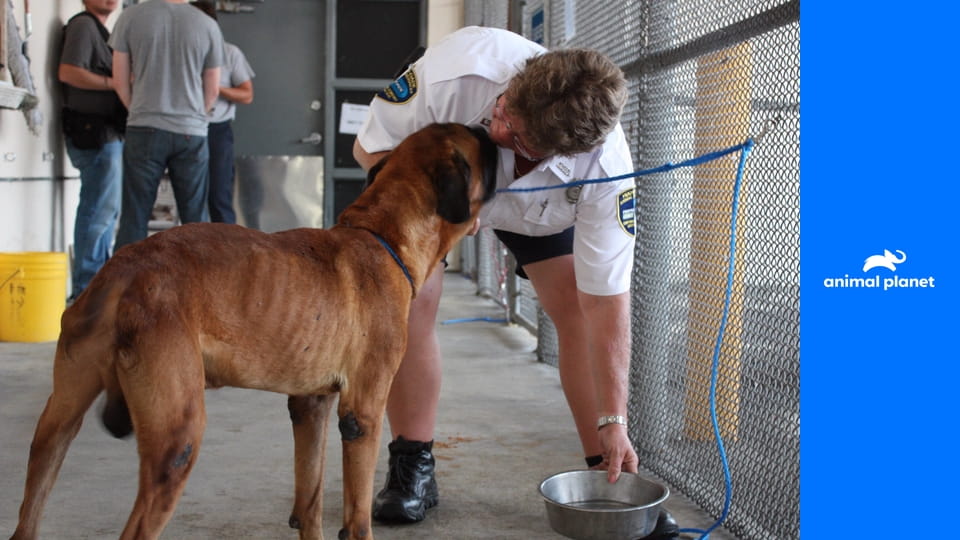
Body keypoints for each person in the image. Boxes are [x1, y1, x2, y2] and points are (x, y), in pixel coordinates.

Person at [353, 26, 640, 524]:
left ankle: (606, 472)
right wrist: (446, 203)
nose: (498, 126)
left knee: (575, 311)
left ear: (562, 152)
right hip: (439, 189)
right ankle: (411, 465)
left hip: (540, 210)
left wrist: (615, 419)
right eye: (505, 108)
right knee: (414, 305)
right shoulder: (460, 73)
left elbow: (605, 302)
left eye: (516, 133)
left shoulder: (605, 169)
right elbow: (368, 148)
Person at [109, 0, 223, 250]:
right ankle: (201, 275)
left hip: (144, 126)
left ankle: (127, 276)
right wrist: (196, 116)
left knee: (135, 216)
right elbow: (213, 89)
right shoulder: (207, 24)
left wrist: (137, 109)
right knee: (195, 220)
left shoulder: (130, 17)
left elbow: (119, 80)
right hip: (191, 131)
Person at [58, 0, 126, 299]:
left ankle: (96, 286)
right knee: (98, 210)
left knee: (107, 212)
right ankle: (86, 291)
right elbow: (69, 72)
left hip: (108, 132)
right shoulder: (84, 26)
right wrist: (115, 83)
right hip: (93, 133)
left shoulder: (102, 31)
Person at [191, 1, 255, 224]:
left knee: (219, 196)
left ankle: (227, 246)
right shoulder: (181, 53)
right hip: (185, 128)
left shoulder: (230, 53)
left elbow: (247, 95)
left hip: (216, 130)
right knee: (190, 197)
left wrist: (214, 88)